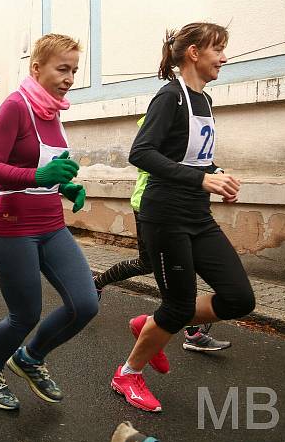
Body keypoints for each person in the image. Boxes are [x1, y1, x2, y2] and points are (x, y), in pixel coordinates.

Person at [111, 23, 255, 413]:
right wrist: (201, 178)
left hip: (197, 214)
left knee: (239, 298)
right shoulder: (170, 97)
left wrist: (217, 176)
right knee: (178, 305)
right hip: (165, 215)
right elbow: (141, 153)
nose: (224, 58)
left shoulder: (203, 100)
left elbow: (194, 157)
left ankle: (152, 324)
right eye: (218, 50)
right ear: (194, 53)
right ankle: (127, 374)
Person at [0, 34, 97, 410]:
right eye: (62, 69)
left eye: (74, 70)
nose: (70, 77)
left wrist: (64, 186)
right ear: (37, 68)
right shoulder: (15, 107)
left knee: (85, 304)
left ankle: (29, 358)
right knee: (24, 315)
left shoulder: (54, 111)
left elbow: (43, 167)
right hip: (13, 225)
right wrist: (39, 179)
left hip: (52, 224)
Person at [94, 117, 231, 353]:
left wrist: (215, 170)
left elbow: (194, 159)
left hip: (181, 208)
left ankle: (192, 332)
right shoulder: (159, 126)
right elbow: (153, 161)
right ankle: (97, 283)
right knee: (153, 264)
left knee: (175, 264)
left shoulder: (188, 123)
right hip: (152, 207)